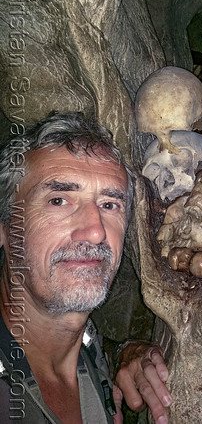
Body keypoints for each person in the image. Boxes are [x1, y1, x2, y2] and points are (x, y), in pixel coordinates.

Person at [0, 111, 172, 423]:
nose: (96, 231)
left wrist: (123, 353)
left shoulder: (89, 353)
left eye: (110, 205)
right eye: (59, 201)